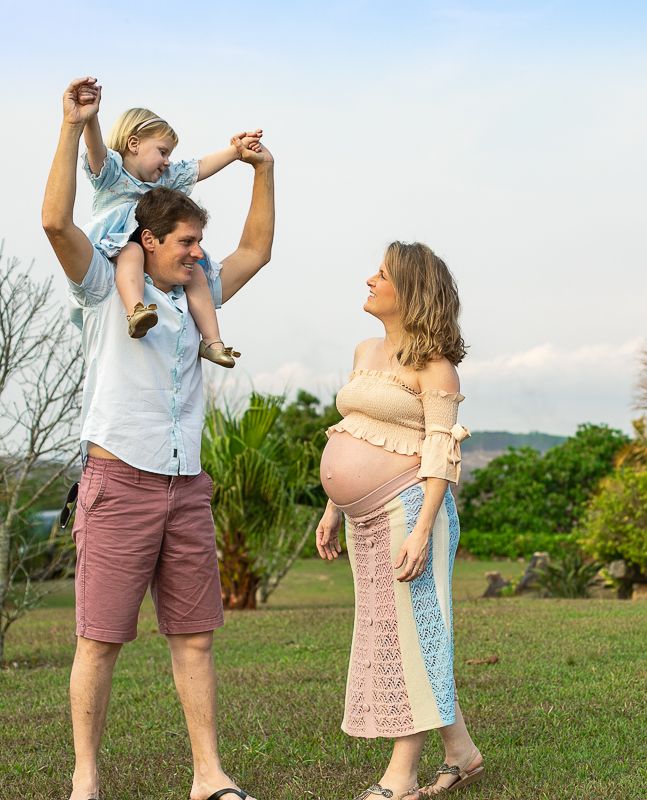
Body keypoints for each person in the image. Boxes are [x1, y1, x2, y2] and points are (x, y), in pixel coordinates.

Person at [41, 76, 274, 800]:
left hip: (186, 487)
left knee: (196, 636)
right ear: (149, 241)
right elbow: (55, 224)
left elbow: (256, 249)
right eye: (187, 242)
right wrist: (71, 127)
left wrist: (263, 171)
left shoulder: (198, 290)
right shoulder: (107, 290)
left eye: (202, 242)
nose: (200, 252)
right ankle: (86, 780)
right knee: (100, 640)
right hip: (119, 482)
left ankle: (208, 776)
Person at [314, 242, 485, 799]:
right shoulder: (365, 351)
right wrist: (334, 506)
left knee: (408, 639)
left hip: (411, 511)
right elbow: (358, 429)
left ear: (408, 291)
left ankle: (401, 778)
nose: (369, 279)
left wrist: (420, 531)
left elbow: (440, 456)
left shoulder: (436, 368)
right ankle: (461, 752)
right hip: (364, 519)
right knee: (397, 635)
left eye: (381, 274)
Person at [80, 103, 256, 367]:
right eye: (162, 152)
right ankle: (136, 311)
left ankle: (212, 341)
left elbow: (200, 167)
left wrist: (235, 151)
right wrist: (89, 116)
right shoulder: (112, 173)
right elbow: (95, 147)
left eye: (169, 154)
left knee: (195, 268)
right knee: (132, 251)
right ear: (134, 144)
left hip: (155, 251)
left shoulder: (163, 180)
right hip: (115, 248)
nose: (167, 161)